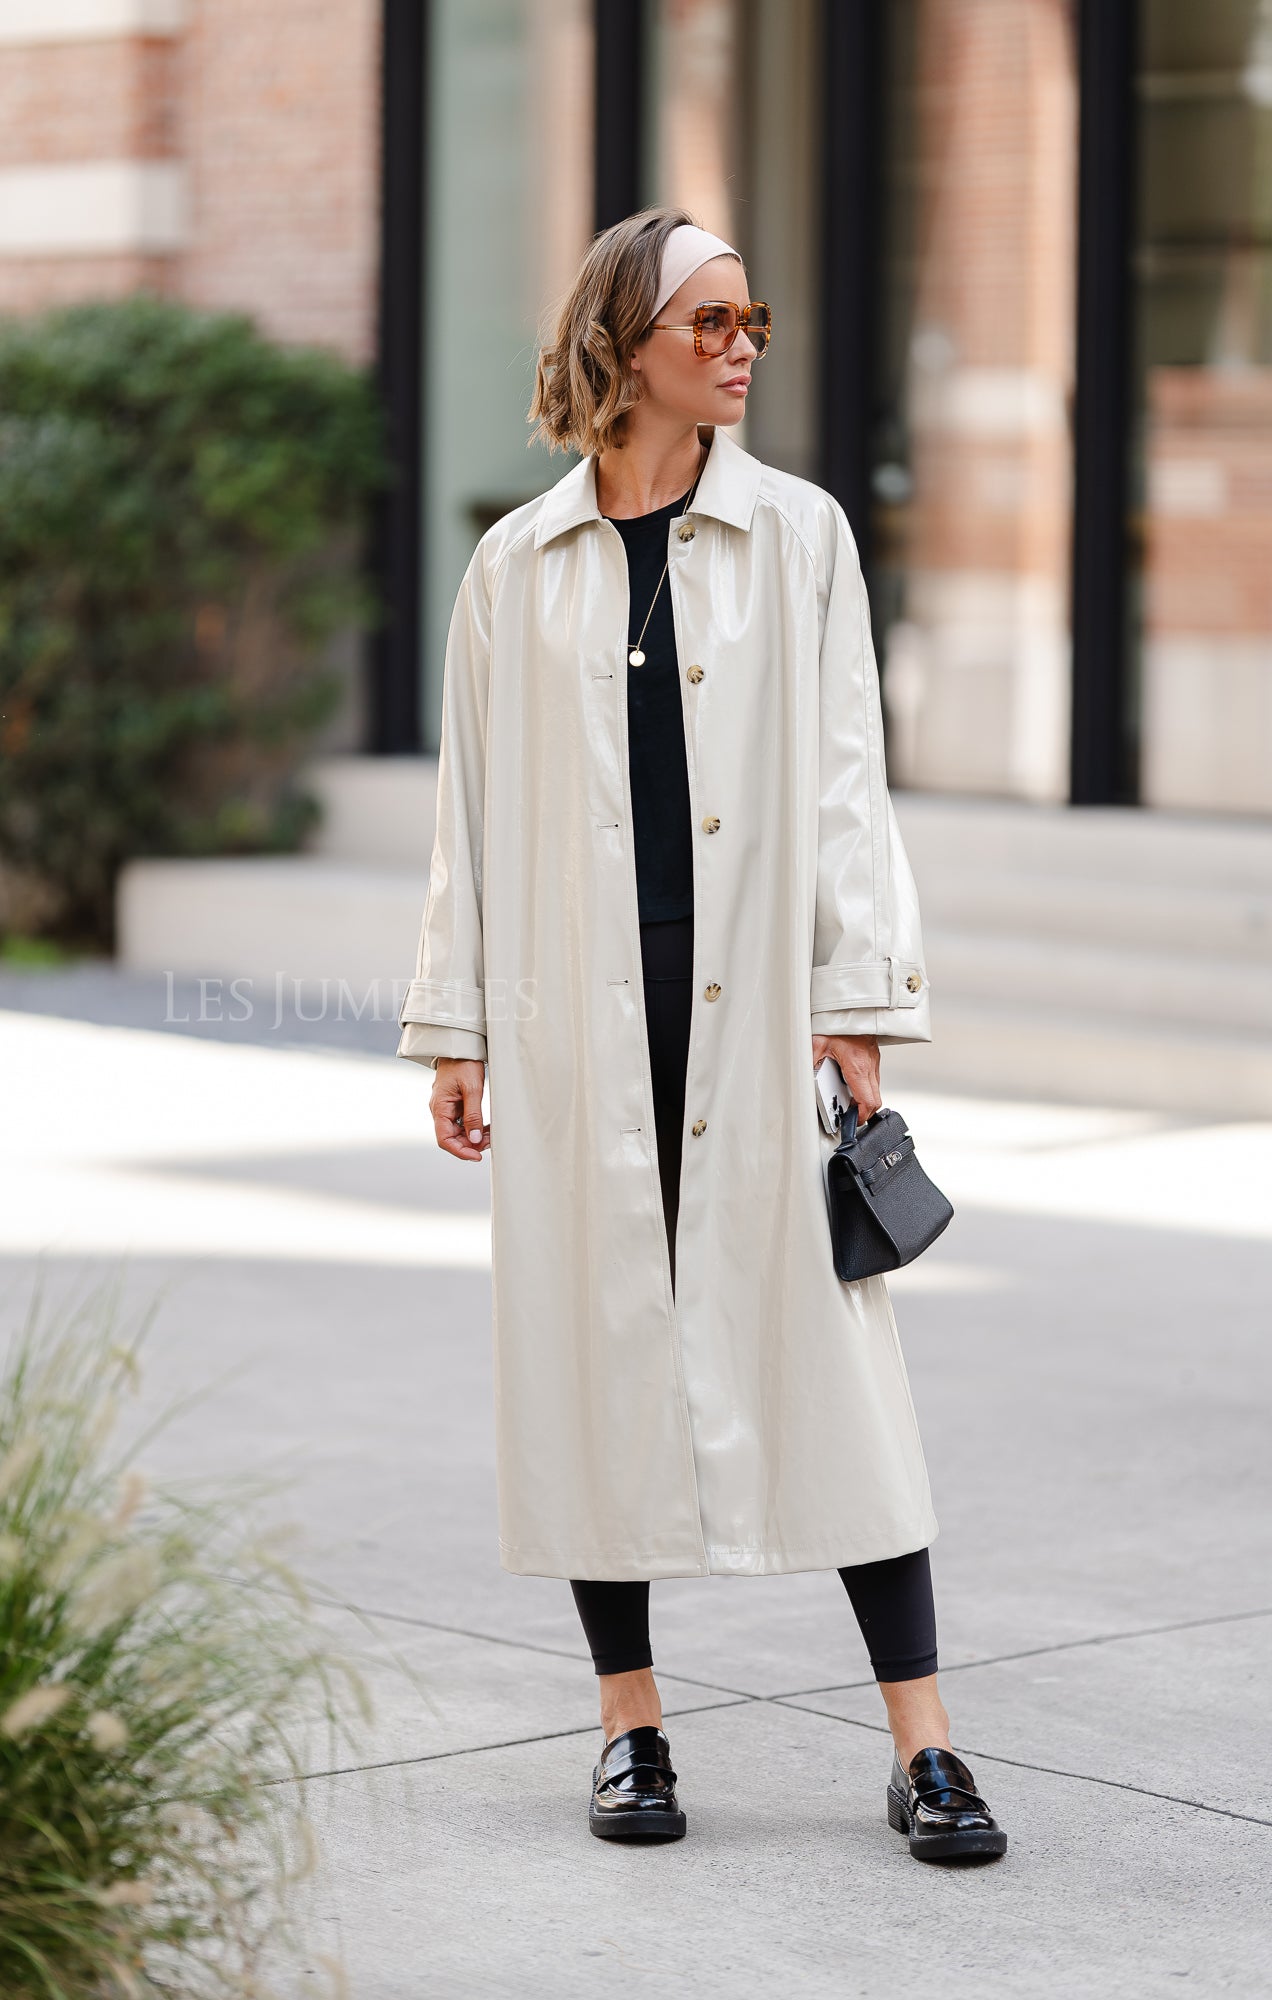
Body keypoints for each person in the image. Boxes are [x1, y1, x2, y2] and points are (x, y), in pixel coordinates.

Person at [397, 207, 1006, 1864]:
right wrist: (459, 1022)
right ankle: (630, 1726)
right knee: (595, 1362)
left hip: (757, 1011)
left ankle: (926, 1746)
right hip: (576, 1016)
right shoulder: (514, 567)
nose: (742, 347)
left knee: (835, 1370)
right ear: (623, 345)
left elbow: (846, 777)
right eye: (711, 322)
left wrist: (856, 998)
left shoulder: (798, 535)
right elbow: (470, 811)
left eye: (753, 320)